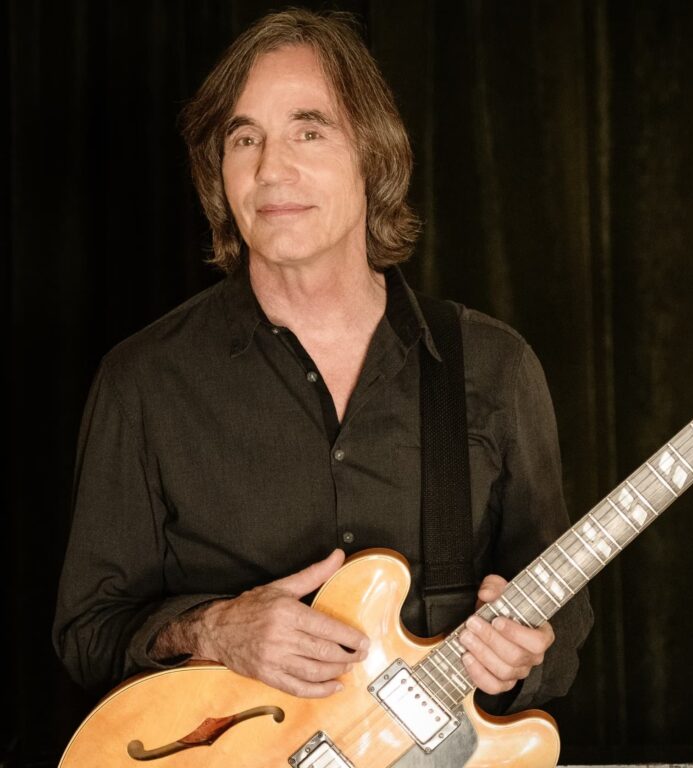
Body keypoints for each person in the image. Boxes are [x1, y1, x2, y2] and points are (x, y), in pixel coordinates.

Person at [53, 8, 592, 714]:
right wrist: (211, 630)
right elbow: (87, 635)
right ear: (219, 174)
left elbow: (563, 619)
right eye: (245, 138)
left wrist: (524, 655)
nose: (271, 169)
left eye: (309, 131)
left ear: (373, 154)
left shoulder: (493, 366)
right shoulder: (143, 381)